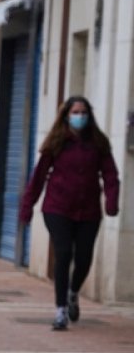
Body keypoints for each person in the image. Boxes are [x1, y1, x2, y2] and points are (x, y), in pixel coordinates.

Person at [19, 96, 120, 331]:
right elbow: (37, 178)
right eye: (75, 112)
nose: (80, 116)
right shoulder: (56, 142)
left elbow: (111, 175)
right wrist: (27, 208)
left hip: (88, 211)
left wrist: (112, 202)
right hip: (57, 208)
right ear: (66, 115)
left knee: (84, 258)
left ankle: (73, 292)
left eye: (83, 112)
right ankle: (60, 310)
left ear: (89, 115)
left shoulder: (98, 143)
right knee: (63, 254)